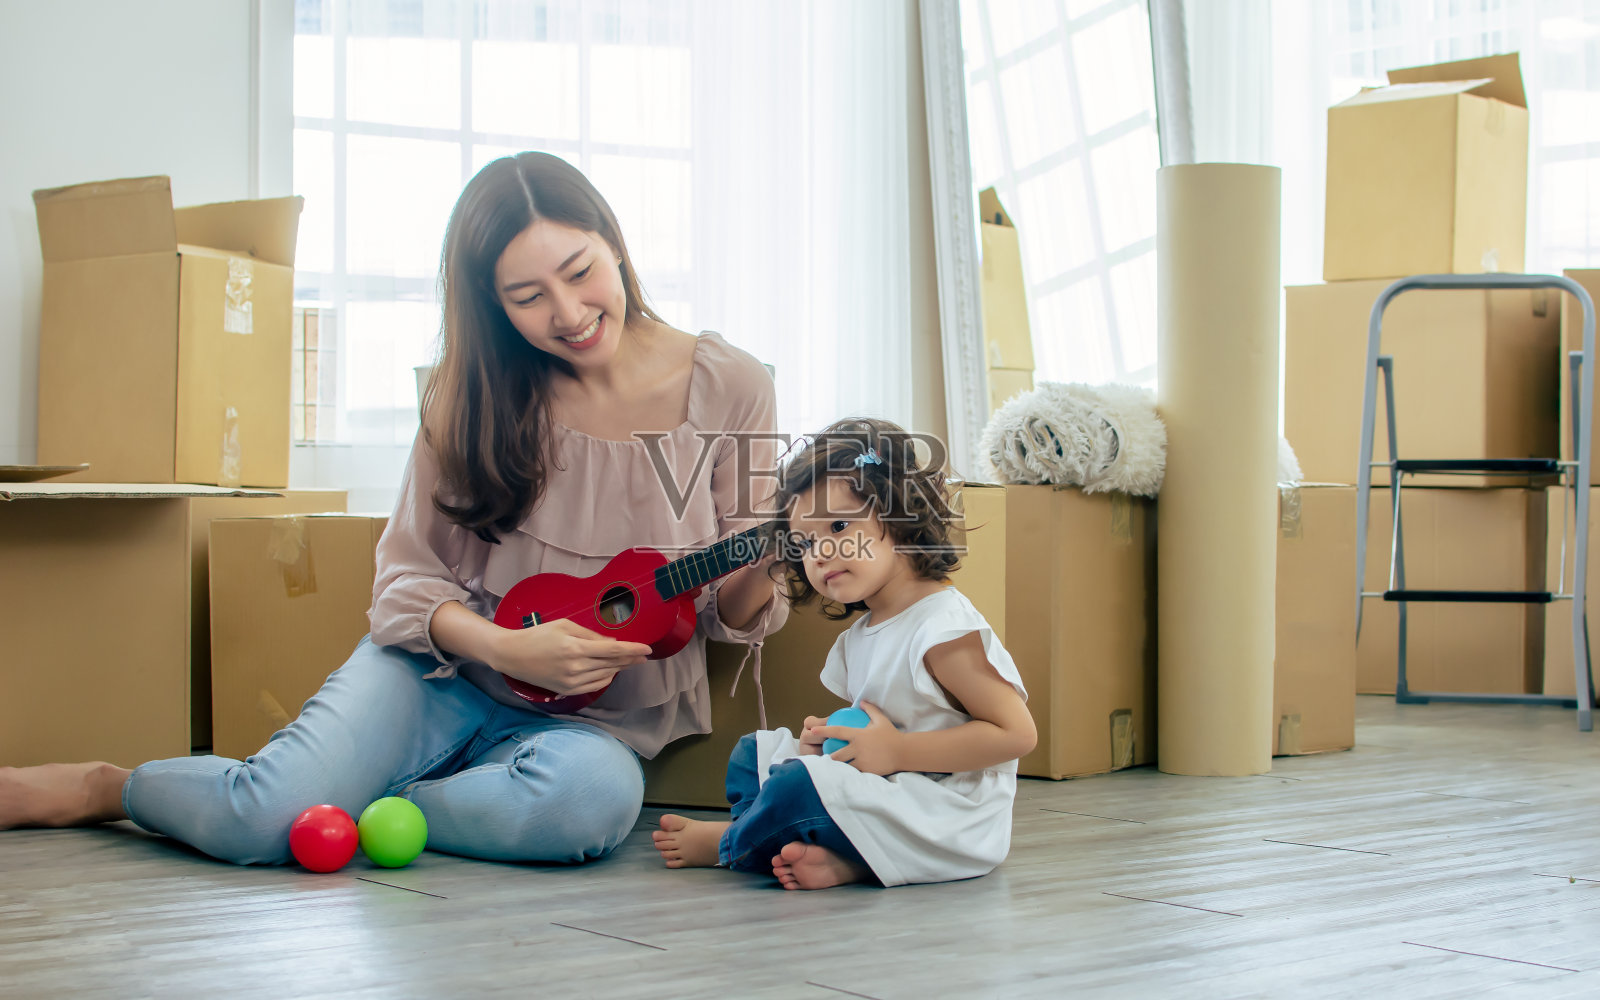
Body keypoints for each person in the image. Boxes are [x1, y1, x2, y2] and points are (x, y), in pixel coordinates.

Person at [0, 152, 788, 865]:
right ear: (493, 304)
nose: (569, 312)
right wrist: (508, 651)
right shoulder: (472, 393)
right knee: (254, 820)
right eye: (527, 296)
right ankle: (108, 787)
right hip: (442, 672)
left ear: (614, 241)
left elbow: (728, 611)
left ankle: (384, 806)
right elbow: (408, 576)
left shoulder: (731, 386)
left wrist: (767, 561)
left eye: (580, 271)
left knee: (585, 808)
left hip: (594, 724)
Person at [651, 418, 1036, 889]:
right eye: (806, 542)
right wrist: (831, 740)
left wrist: (897, 752)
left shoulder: (944, 629)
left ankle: (734, 844)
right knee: (753, 752)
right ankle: (843, 859)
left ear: (900, 516)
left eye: (837, 525)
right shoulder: (862, 634)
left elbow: (1015, 734)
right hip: (893, 788)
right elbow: (879, 721)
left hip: (947, 814)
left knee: (797, 788)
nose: (820, 552)